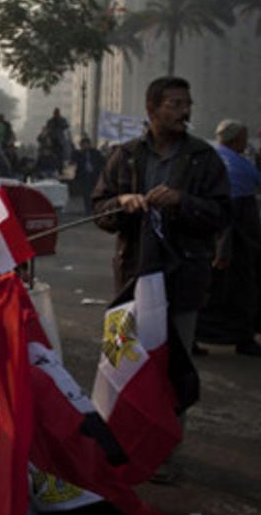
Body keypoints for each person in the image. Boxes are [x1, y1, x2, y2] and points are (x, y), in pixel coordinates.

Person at [93, 77, 231, 483]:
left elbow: (222, 213)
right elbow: (99, 207)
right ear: (152, 110)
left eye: (187, 104)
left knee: (173, 368)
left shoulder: (203, 158)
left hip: (182, 278)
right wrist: (121, 203)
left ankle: (164, 454)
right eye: (174, 104)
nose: (184, 112)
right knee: (124, 363)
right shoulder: (126, 156)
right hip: (132, 277)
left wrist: (182, 201)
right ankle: (120, 442)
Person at [196, 120, 261, 358]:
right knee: (242, 286)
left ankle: (194, 336)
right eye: (244, 137)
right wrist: (224, 245)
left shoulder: (217, 157)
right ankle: (243, 338)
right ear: (236, 138)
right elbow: (228, 208)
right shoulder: (230, 164)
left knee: (213, 287)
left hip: (227, 231)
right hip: (237, 233)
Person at [71, 137, 105, 214]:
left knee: (96, 193)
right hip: (84, 176)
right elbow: (73, 162)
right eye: (83, 145)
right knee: (86, 194)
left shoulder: (95, 152)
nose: (85, 146)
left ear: (89, 144)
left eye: (87, 144)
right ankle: (88, 210)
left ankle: (96, 208)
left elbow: (102, 162)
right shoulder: (78, 154)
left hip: (94, 175)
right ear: (81, 146)